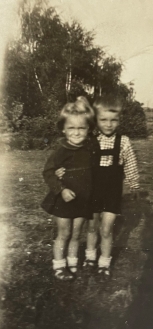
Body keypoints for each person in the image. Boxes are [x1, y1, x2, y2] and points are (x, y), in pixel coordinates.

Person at [56, 95, 140, 279]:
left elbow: (131, 165)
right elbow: (74, 156)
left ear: (119, 120)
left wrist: (134, 185)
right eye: (103, 120)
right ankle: (90, 257)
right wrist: (62, 170)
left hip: (112, 192)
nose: (108, 124)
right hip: (92, 190)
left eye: (113, 120)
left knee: (107, 229)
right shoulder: (90, 140)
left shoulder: (123, 141)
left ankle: (104, 263)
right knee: (92, 227)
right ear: (96, 120)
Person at [41, 98, 94, 281]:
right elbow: (48, 172)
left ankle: (72, 263)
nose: (77, 133)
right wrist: (61, 188)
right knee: (64, 233)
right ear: (63, 129)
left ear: (88, 129)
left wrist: (84, 104)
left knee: (77, 233)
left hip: (83, 199)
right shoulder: (61, 151)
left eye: (82, 128)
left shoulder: (90, 148)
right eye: (71, 128)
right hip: (64, 199)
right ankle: (59, 265)